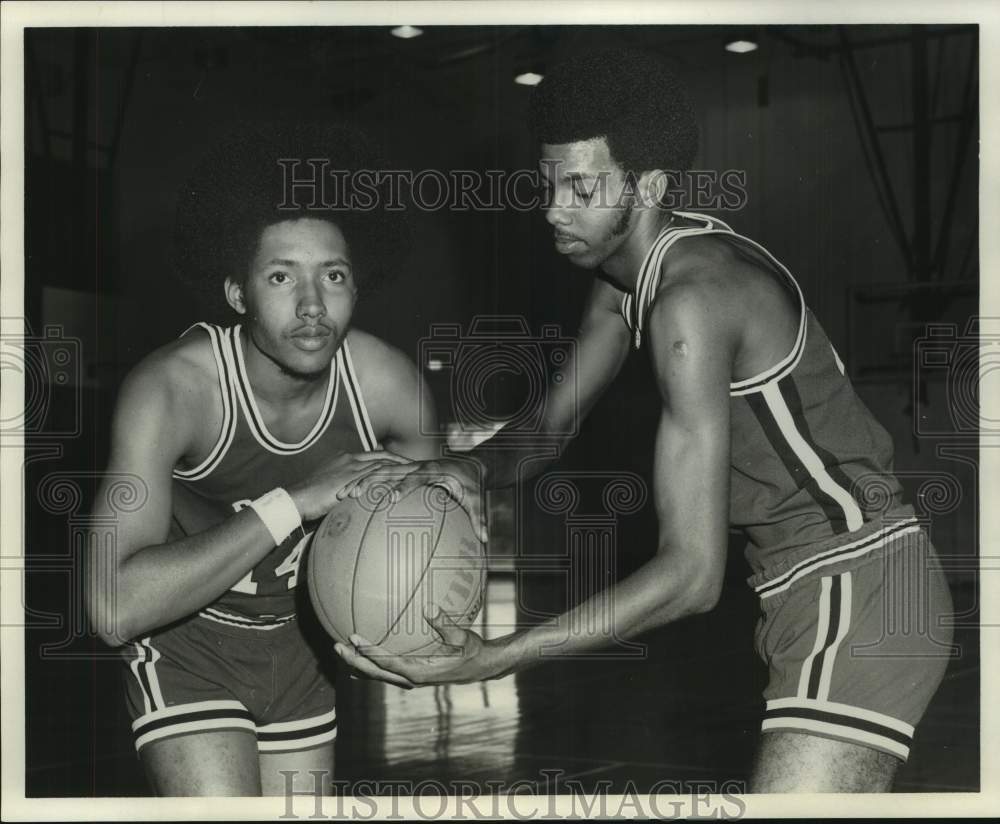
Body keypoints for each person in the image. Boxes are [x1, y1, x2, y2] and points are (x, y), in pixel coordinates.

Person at [335, 49, 956, 793]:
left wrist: (493, 656)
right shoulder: (622, 276)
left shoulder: (691, 302)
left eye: (581, 186)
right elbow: (549, 429)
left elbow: (691, 574)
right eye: (545, 183)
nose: (553, 207)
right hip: (805, 585)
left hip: (858, 585)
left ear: (651, 186)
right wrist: (464, 468)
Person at [84, 126, 445, 796]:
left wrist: (403, 626)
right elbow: (113, 607)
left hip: (302, 656)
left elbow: (434, 540)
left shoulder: (388, 384)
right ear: (236, 292)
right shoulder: (174, 389)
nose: (312, 305)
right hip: (188, 648)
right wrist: (297, 502)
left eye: (333, 276)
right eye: (282, 276)